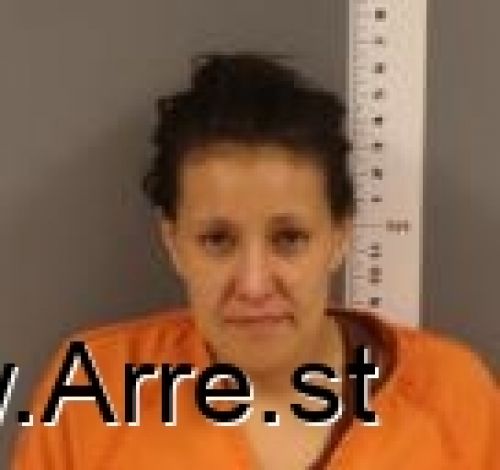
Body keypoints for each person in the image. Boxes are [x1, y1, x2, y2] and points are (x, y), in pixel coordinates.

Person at [11, 53, 498, 470]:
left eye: (289, 239)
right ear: (173, 242)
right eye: (217, 240)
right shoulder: (91, 395)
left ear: (341, 235)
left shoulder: (454, 398)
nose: (254, 284)